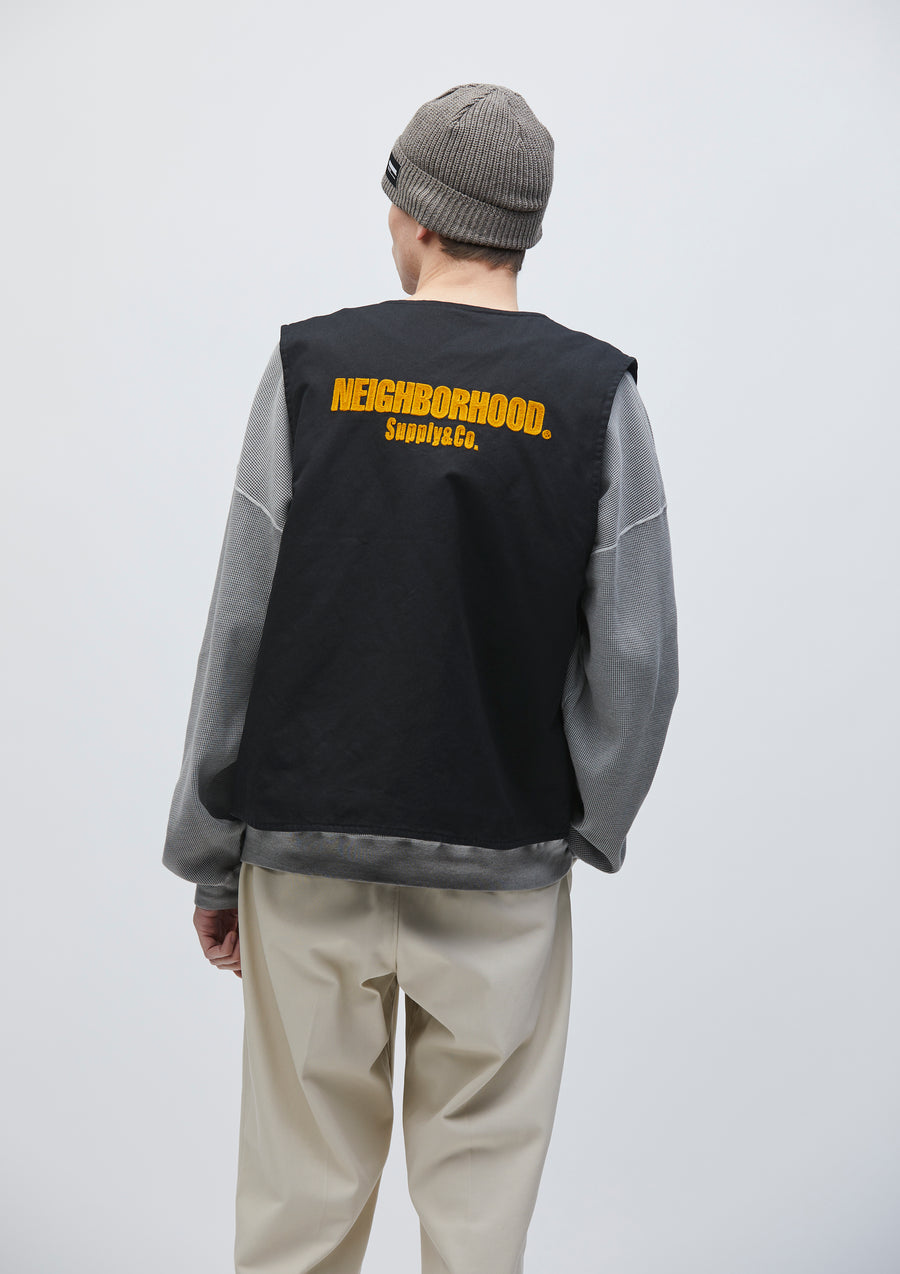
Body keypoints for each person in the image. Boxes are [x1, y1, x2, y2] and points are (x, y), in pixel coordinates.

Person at [163, 83, 679, 1274]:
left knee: (297, 1211)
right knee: (478, 1219)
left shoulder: (310, 367)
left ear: (420, 215)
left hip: (305, 854)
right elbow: (637, 654)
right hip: (501, 864)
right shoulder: (596, 395)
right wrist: (583, 824)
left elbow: (239, 625)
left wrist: (212, 852)